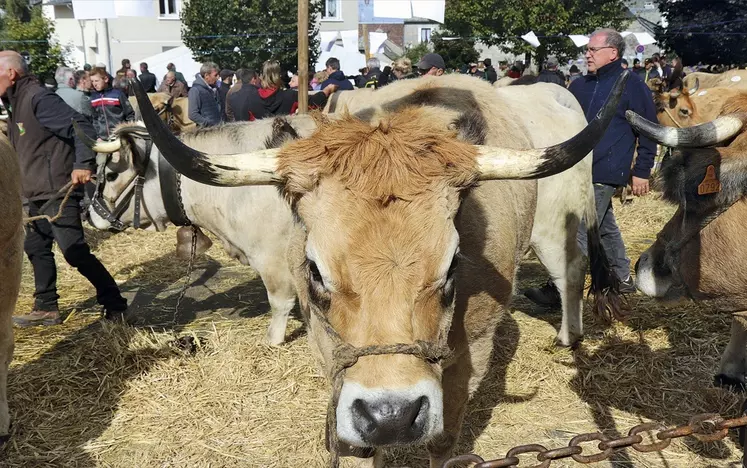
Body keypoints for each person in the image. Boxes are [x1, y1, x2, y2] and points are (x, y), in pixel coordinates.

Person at [524, 28, 657, 306]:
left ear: (613, 53)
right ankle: (623, 278)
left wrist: (642, 171)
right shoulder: (579, 85)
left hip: (607, 169)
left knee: (577, 228)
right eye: (588, 50)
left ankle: (559, 288)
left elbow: (648, 131)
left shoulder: (633, 86)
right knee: (603, 226)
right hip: (575, 169)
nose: (588, 54)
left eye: (593, 50)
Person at [0, 51, 128, 327]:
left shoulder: (38, 98)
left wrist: (83, 163)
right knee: (35, 247)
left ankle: (115, 304)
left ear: (11, 73)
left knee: (74, 252)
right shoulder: (16, 102)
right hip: (35, 192)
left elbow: (80, 126)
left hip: (58, 189)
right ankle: (46, 307)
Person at [252, 59, 336, 120]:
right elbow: (314, 102)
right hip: (284, 140)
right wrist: (327, 90)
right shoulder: (289, 95)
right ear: (279, 76)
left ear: (261, 76)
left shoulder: (251, 98)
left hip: (259, 140)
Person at [89, 67, 136, 140]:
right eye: (92, 81)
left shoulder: (118, 94)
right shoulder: (93, 98)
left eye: (96, 81)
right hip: (102, 139)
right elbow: (95, 119)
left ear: (106, 79)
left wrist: (128, 133)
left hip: (119, 137)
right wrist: (98, 136)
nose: (94, 84)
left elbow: (130, 115)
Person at [188, 62, 222, 127]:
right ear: (206, 75)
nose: (218, 77)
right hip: (207, 132)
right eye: (215, 75)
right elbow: (193, 114)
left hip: (218, 130)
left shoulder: (214, 89)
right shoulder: (195, 90)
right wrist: (209, 124)